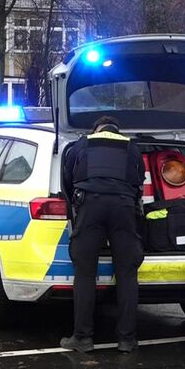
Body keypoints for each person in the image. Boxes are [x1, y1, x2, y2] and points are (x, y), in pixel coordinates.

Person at [60, 116, 145, 354]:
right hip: (124, 208)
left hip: (90, 206)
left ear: (96, 129)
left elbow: (68, 180)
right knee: (127, 273)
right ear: (117, 130)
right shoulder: (131, 147)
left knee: (85, 271)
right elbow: (139, 183)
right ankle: (127, 340)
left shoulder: (83, 143)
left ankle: (82, 338)